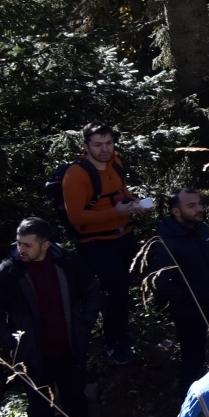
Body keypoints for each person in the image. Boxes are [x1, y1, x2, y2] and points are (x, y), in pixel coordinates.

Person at [0, 217, 104, 417]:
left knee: (75, 397)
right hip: (31, 354)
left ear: (45, 245)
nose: (21, 249)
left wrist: (85, 324)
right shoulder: (7, 272)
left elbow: (90, 290)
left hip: (68, 346)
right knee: (40, 406)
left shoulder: (67, 261)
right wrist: (11, 341)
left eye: (27, 244)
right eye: (19, 243)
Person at [62, 123, 146, 366]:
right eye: (98, 144)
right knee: (116, 290)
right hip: (96, 242)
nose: (104, 149)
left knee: (124, 288)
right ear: (86, 146)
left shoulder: (115, 163)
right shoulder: (76, 175)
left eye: (108, 143)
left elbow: (121, 192)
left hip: (123, 235)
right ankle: (113, 343)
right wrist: (115, 213)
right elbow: (75, 216)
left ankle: (121, 332)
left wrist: (134, 203)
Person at [147, 186, 209, 390]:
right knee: (193, 362)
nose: (199, 209)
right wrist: (195, 297)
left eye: (199, 204)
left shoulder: (200, 230)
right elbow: (160, 285)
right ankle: (189, 410)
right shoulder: (167, 242)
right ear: (176, 211)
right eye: (192, 206)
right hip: (189, 314)